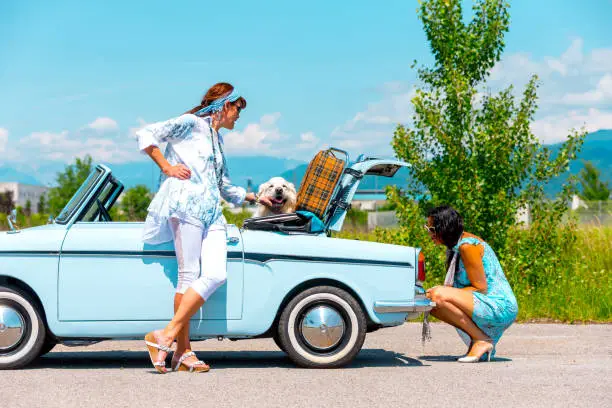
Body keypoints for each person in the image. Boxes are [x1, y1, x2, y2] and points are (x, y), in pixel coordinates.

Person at [138, 82, 273, 373]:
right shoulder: (190, 125)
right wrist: (167, 167)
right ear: (225, 105)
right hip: (185, 206)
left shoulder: (217, 139)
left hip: (212, 213)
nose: (239, 117)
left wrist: (251, 197)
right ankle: (183, 353)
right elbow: (146, 133)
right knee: (187, 277)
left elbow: (222, 184)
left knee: (216, 274)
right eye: (238, 110)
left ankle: (165, 336)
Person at [424, 205, 518, 362]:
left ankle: (481, 340)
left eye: (432, 229)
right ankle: (479, 341)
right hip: (488, 302)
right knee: (430, 301)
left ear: (444, 228)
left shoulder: (467, 246)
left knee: (435, 296)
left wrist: (444, 293)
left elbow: (480, 288)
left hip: (499, 304)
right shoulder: (457, 247)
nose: (429, 234)